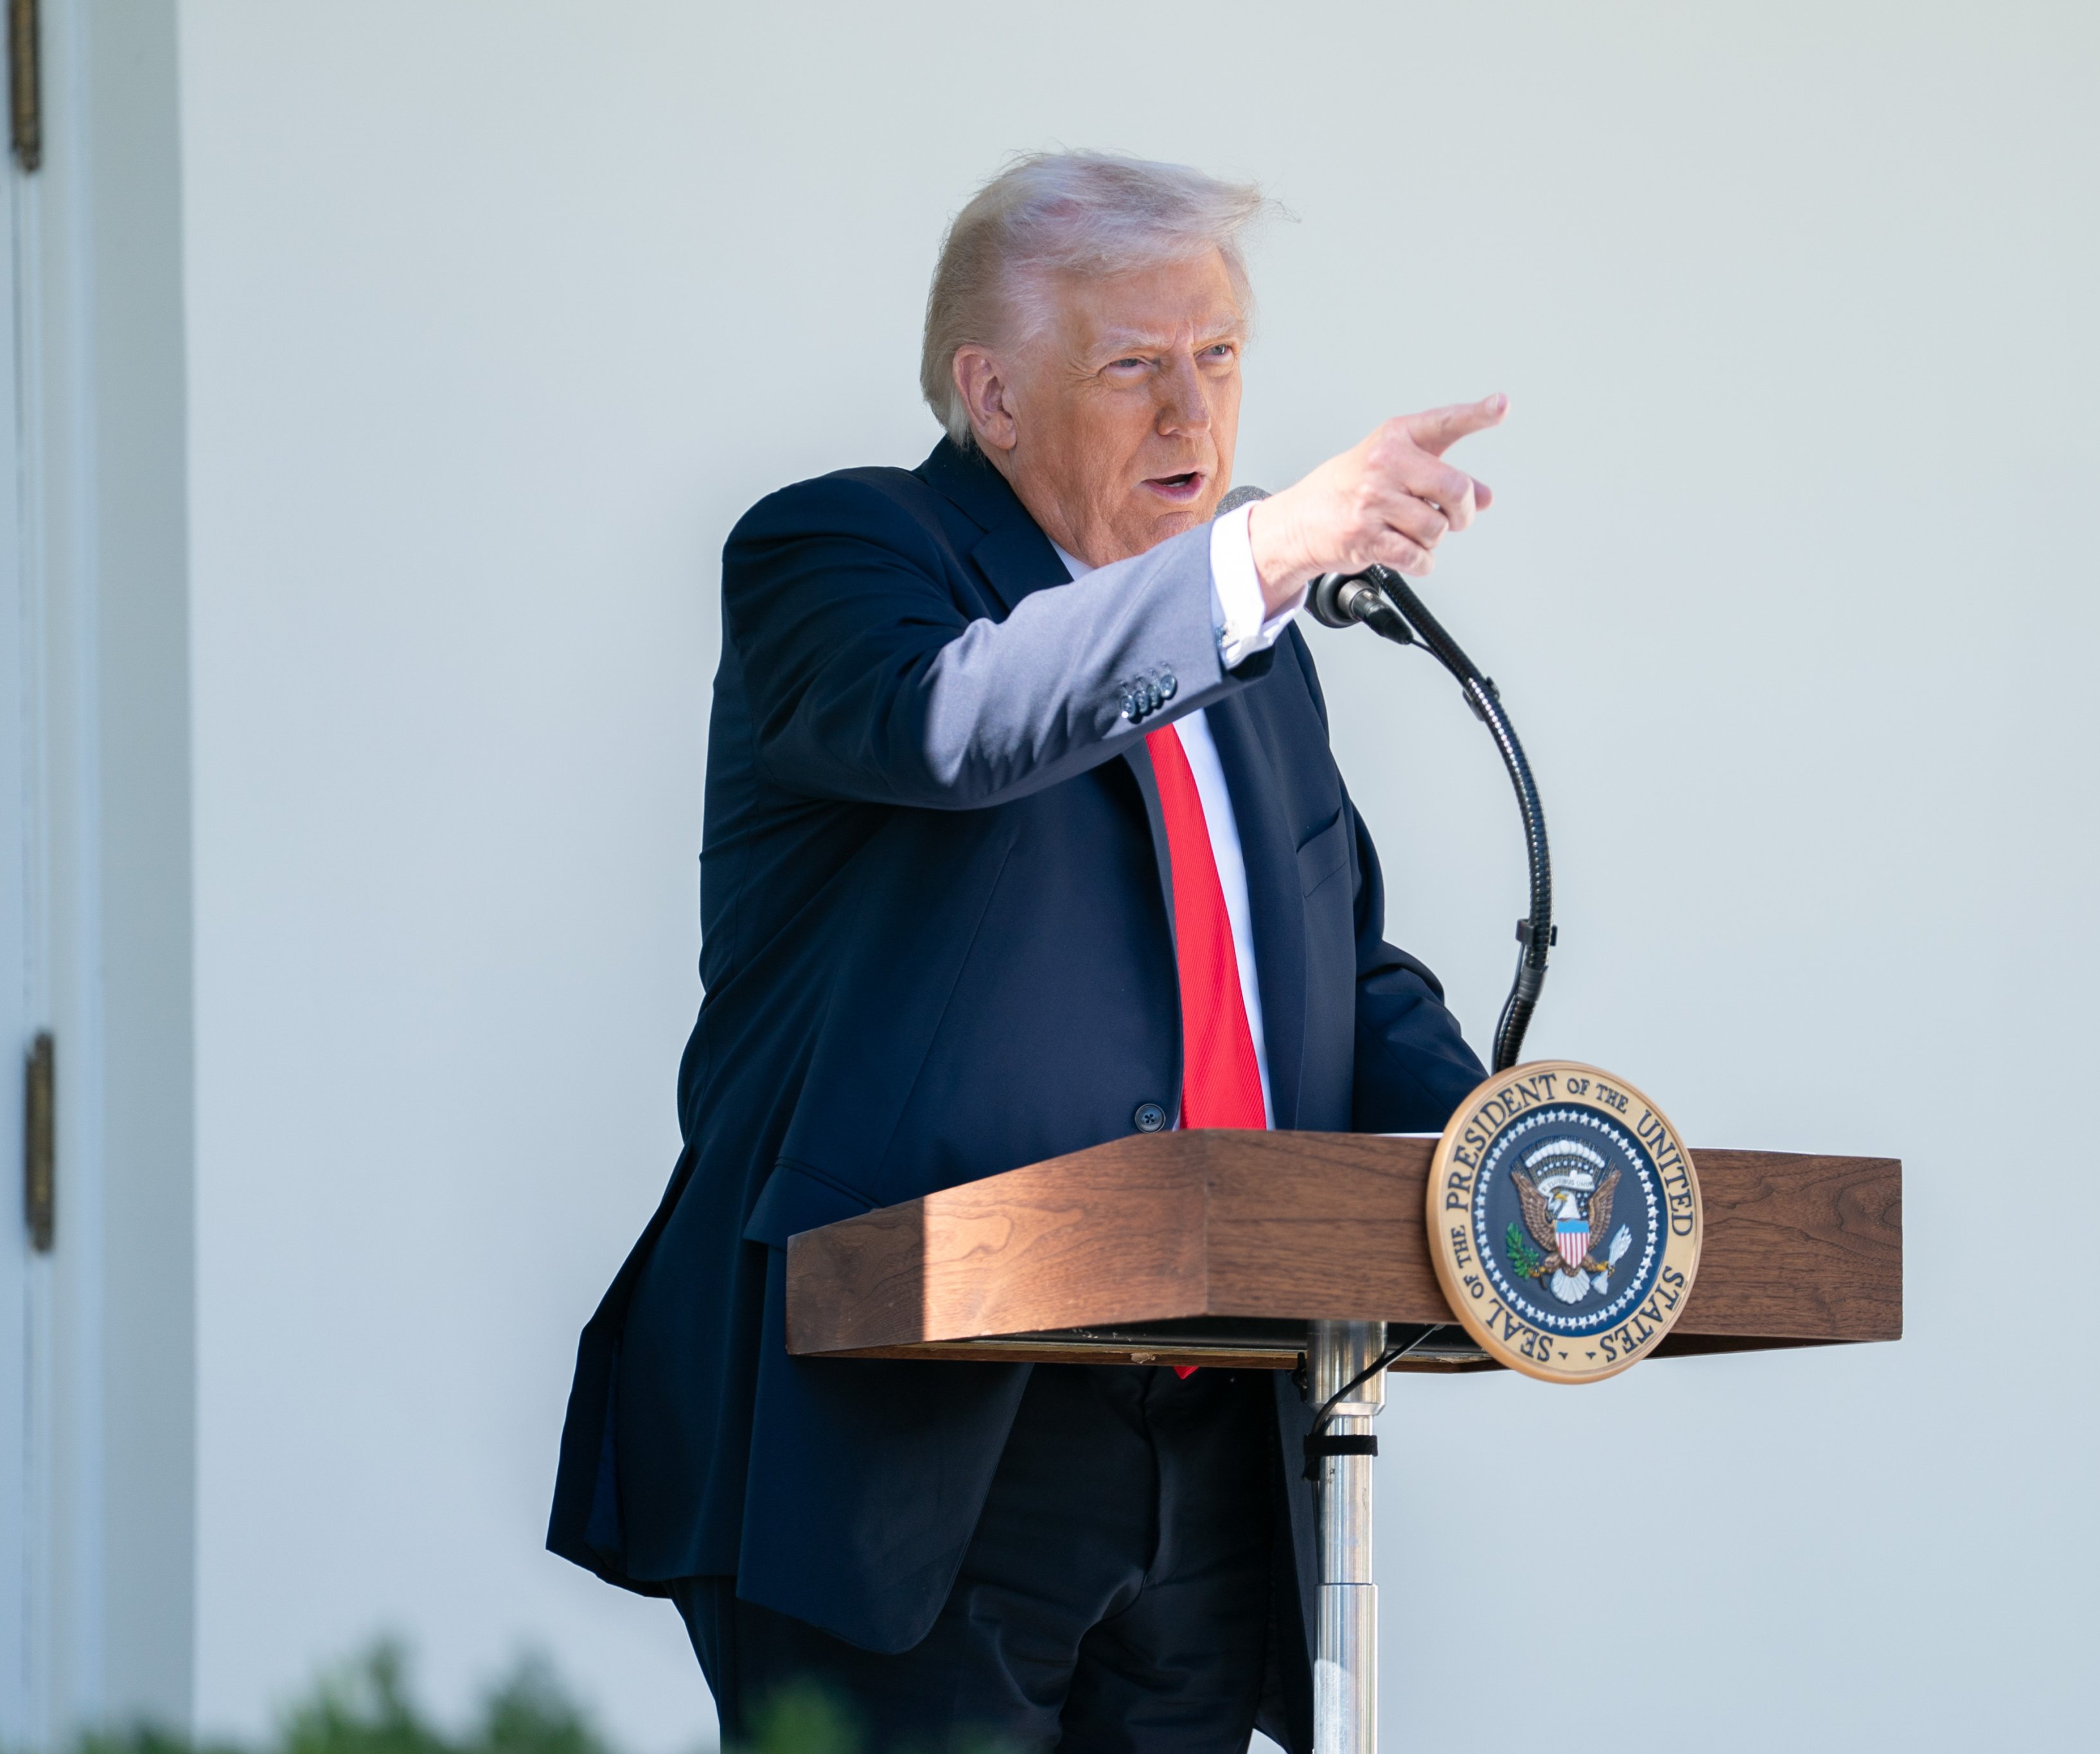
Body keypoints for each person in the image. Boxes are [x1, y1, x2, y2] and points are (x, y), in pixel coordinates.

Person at [546, 150, 1506, 1753]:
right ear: (990, 395)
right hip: (909, 1421)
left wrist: (1509, 1157)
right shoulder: (834, 557)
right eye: (1135, 367)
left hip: (1211, 1423)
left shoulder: (1253, 657)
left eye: (1216, 360)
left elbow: (1324, 977)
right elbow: (962, 726)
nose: (1193, 420)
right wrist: (1261, 563)